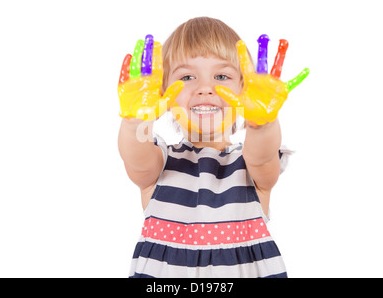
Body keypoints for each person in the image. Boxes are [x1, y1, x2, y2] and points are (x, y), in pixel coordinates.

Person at [117, 17, 309, 278]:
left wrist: (262, 123)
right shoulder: (161, 162)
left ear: (245, 89)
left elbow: (263, 156)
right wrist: (134, 122)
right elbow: (137, 160)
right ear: (162, 90)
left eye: (222, 76)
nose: (205, 88)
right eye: (187, 76)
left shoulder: (248, 164)